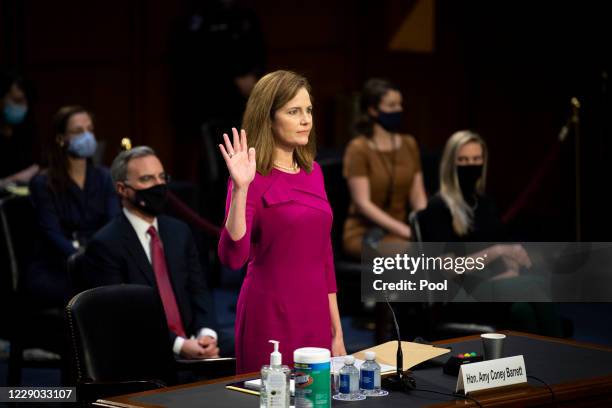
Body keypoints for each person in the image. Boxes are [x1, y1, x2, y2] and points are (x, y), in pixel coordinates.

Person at [218, 70, 346, 374]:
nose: (306, 120)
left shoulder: (313, 171)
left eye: (309, 110)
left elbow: (324, 259)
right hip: (270, 315)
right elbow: (232, 257)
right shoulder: (251, 176)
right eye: (294, 111)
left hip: (315, 313)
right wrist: (240, 188)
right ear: (269, 118)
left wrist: (337, 332)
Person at [83, 146, 221, 359]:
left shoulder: (179, 231)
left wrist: (207, 334)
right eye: (147, 179)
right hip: (142, 351)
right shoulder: (105, 244)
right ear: (122, 189)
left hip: (194, 341)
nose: (158, 185)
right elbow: (121, 315)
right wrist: (179, 345)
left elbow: (199, 290)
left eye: (161, 177)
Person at [27, 106, 119, 307]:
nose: (87, 136)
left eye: (90, 129)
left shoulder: (105, 177)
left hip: (97, 259)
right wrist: (82, 260)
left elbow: (112, 224)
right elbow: (51, 233)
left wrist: (98, 257)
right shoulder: (43, 183)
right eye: (78, 131)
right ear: (61, 138)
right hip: (57, 266)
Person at [343, 78, 427, 260]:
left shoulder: (409, 144)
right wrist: (406, 231)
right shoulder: (359, 148)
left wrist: (424, 228)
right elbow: (363, 204)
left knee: (442, 249)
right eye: (392, 105)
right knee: (417, 255)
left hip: (402, 231)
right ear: (373, 110)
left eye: (400, 105)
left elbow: (418, 196)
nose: (399, 110)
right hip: (366, 233)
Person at [0, 70, 39, 189]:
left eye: (26, 101)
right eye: (17, 101)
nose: (24, 107)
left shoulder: (26, 130)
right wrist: (14, 180)